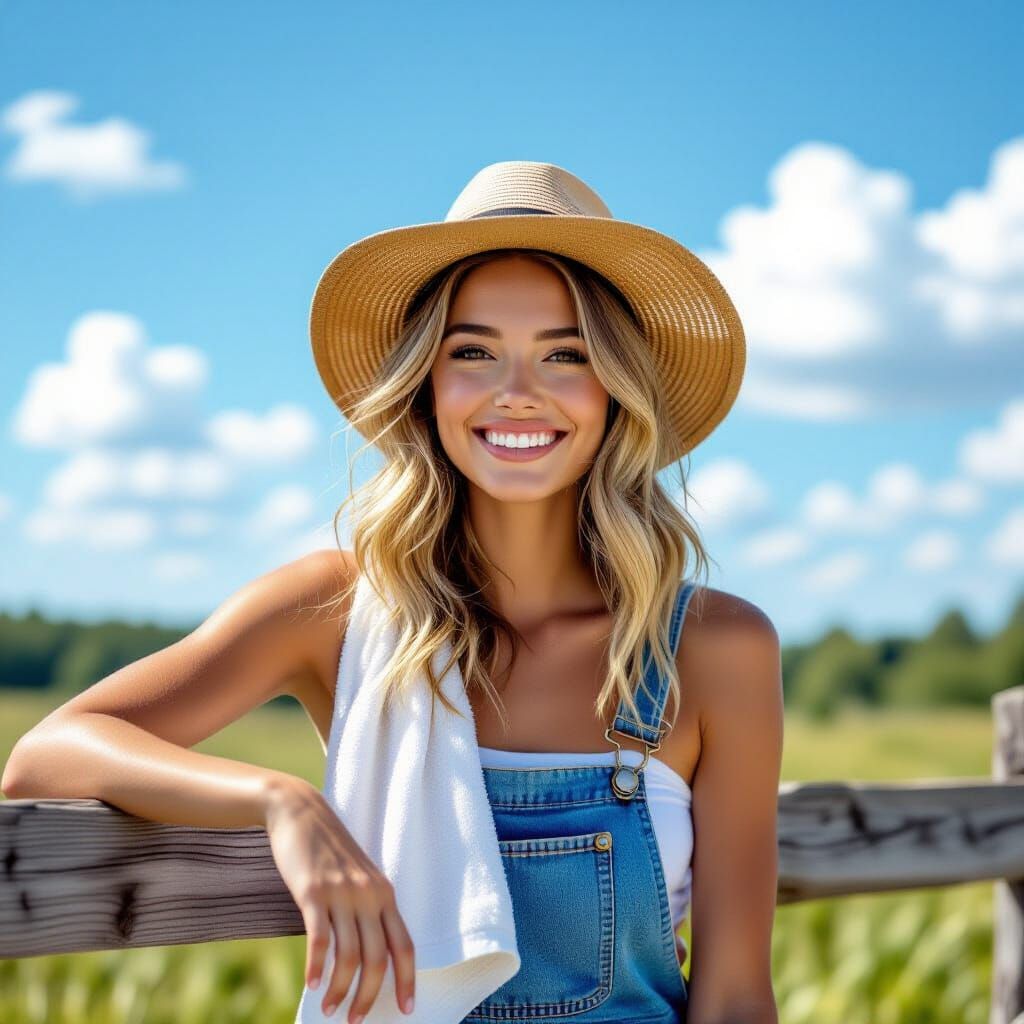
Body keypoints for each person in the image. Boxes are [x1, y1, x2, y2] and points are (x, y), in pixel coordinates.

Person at [2, 160, 783, 1024]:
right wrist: (281, 801)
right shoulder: (338, 612)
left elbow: (737, 993)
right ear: (426, 385)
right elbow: (50, 753)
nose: (516, 392)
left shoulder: (713, 649)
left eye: (566, 354)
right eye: (473, 351)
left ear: (614, 390)